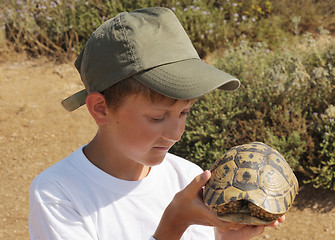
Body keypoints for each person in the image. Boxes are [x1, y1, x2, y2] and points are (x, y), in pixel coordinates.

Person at [29, 7, 284, 240]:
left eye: (184, 112)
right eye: (157, 117)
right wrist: (174, 224)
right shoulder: (58, 194)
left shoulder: (187, 177)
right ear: (100, 109)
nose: (177, 133)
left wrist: (226, 237)